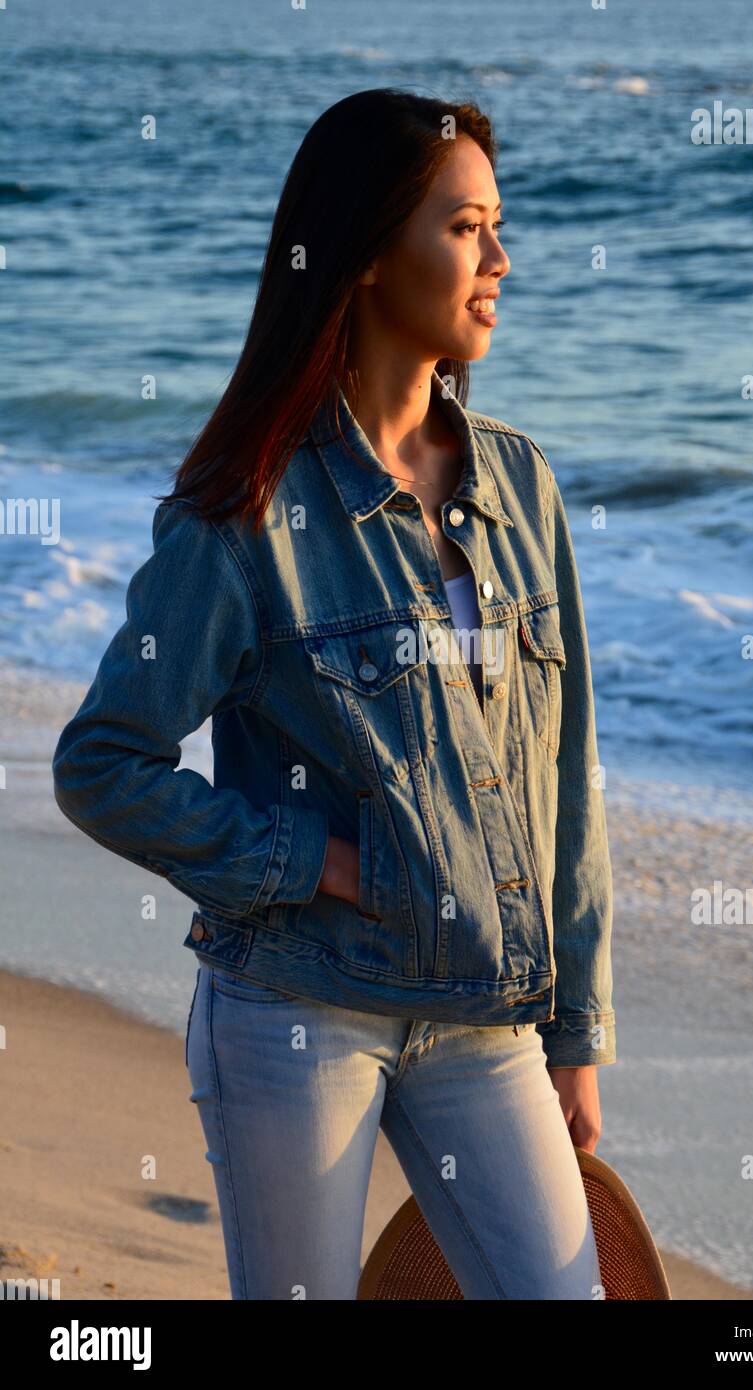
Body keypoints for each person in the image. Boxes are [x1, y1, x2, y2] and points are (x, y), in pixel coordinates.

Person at [52, 88, 616, 1300]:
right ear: (366, 256)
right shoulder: (248, 511)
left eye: (497, 227)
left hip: (484, 1017)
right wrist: (308, 859)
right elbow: (104, 762)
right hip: (302, 1010)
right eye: (466, 229)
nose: (501, 260)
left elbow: (566, 779)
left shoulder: (520, 486)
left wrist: (575, 1033)